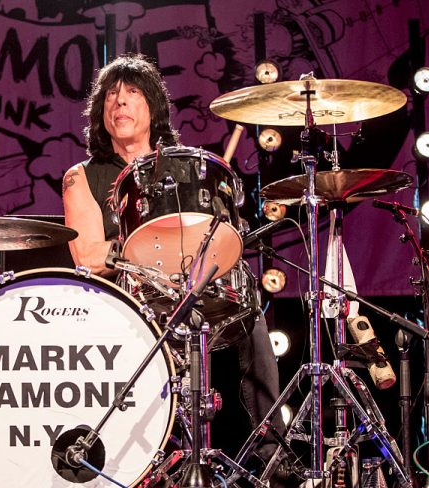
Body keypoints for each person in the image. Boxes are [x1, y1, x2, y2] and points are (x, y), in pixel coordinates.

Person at [62, 53, 281, 462]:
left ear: (153, 107)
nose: (119, 101)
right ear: (100, 112)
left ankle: (273, 459)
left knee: (247, 308)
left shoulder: (185, 168)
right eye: (110, 95)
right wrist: (144, 246)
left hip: (188, 290)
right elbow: (88, 256)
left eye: (132, 92)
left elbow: (215, 242)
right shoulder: (81, 176)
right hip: (127, 302)